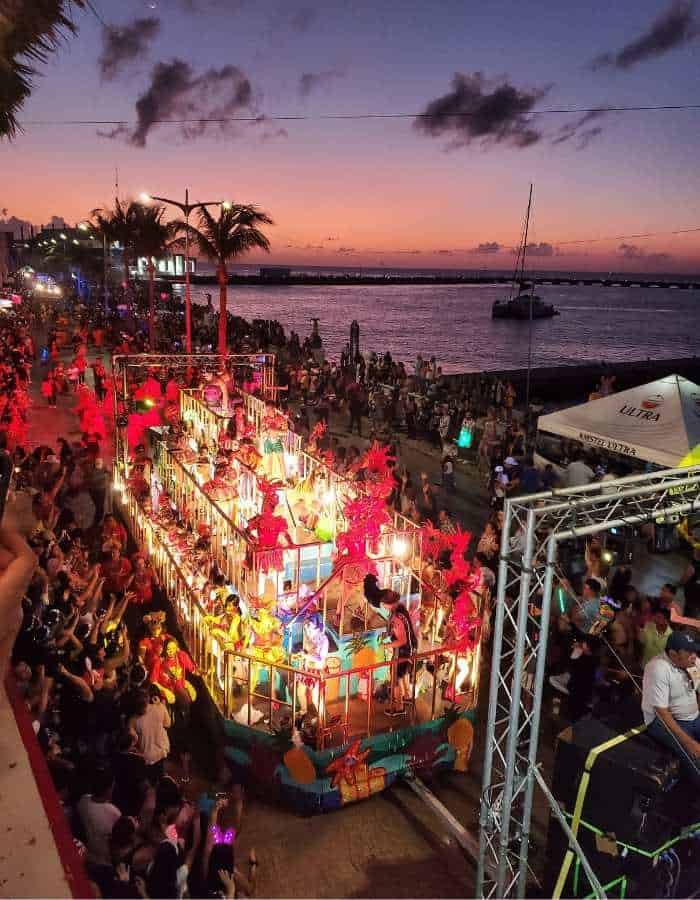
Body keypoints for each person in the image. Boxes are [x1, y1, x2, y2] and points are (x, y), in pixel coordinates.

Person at [642, 631, 700, 785]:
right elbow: (662, 713)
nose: (694, 656)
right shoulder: (657, 668)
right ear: (673, 654)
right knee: (695, 757)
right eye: (689, 653)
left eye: (694, 651)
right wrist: (689, 743)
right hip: (664, 721)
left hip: (693, 717)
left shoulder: (693, 662)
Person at [381, 590, 418, 717]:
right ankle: (407, 696)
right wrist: (389, 634)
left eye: (384, 603)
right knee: (402, 674)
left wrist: (385, 645)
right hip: (410, 649)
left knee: (395, 678)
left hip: (403, 651)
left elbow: (402, 640)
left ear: (390, 603)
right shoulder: (401, 610)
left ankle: (399, 707)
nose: (382, 605)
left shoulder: (397, 618)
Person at [77, 769, 122, 866]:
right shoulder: (114, 812)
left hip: (88, 851)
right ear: (108, 790)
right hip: (105, 860)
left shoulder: (83, 800)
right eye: (112, 787)